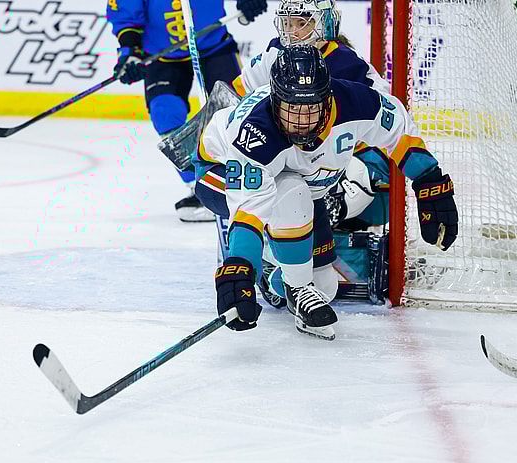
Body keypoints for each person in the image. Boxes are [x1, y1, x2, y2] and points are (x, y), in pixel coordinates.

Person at [195, 46, 458, 339]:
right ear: (275, 99)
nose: (301, 121)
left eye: (310, 109)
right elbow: (249, 210)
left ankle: (275, 272)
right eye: (291, 108)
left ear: (327, 98)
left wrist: (429, 182)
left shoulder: (356, 103)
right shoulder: (255, 135)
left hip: (303, 189)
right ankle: (290, 278)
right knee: (290, 193)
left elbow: (397, 130)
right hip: (216, 172)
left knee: (325, 287)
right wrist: (241, 266)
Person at [107, 0, 268, 222]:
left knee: (237, 113)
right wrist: (130, 52)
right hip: (162, 54)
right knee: (165, 113)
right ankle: (201, 188)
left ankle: (244, 182)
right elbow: (125, 14)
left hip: (213, 44)